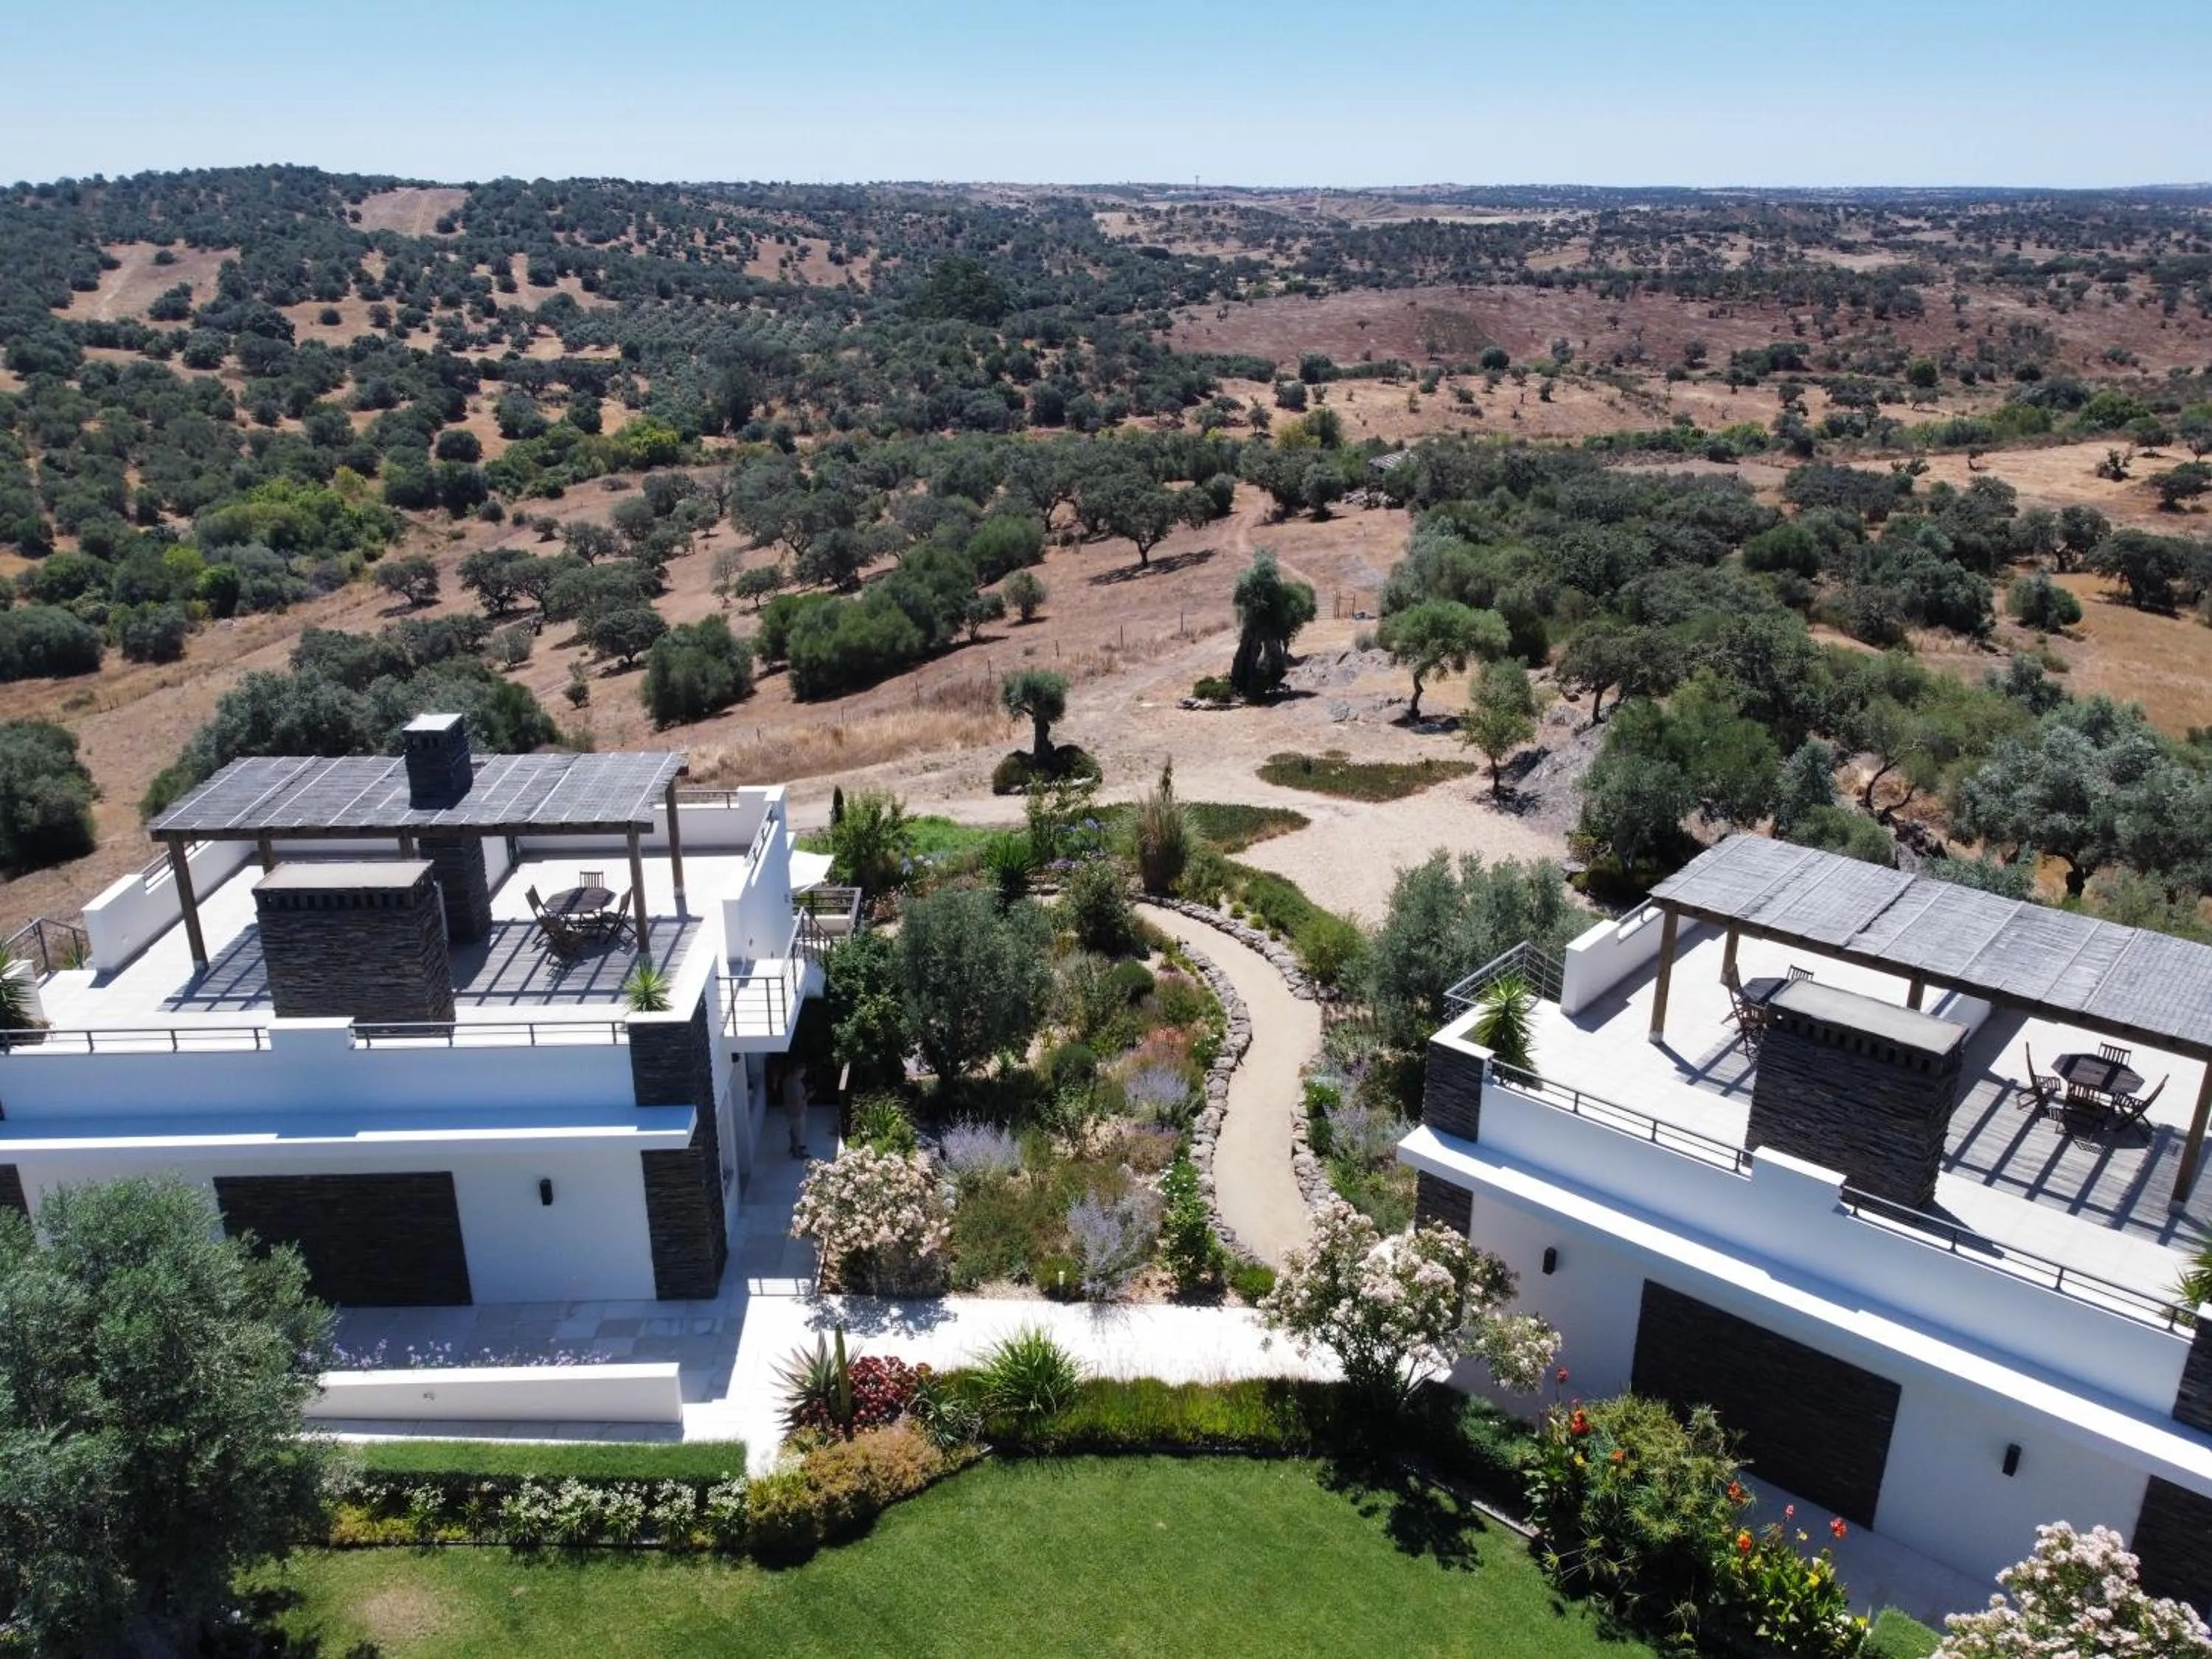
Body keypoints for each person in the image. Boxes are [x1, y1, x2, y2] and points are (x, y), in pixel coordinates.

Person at [779, 1057, 810, 1159]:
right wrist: (808, 1097)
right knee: (798, 1132)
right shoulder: (793, 1083)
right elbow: (796, 1100)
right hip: (795, 1111)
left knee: (793, 1130)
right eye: (803, 1072)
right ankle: (797, 1153)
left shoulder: (789, 1080)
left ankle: (793, 1147)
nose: (804, 1074)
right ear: (798, 1071)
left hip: (791, 1110)